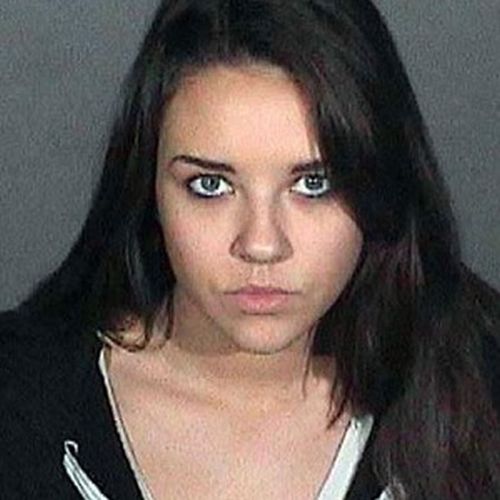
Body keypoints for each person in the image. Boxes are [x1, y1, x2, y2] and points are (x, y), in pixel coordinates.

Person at [1, 0, 499, 498]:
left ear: (383, 183)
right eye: (211, 185)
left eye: (314, 184)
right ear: (147, 186)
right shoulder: (21, 400)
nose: (261, 246)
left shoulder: (480, 381)